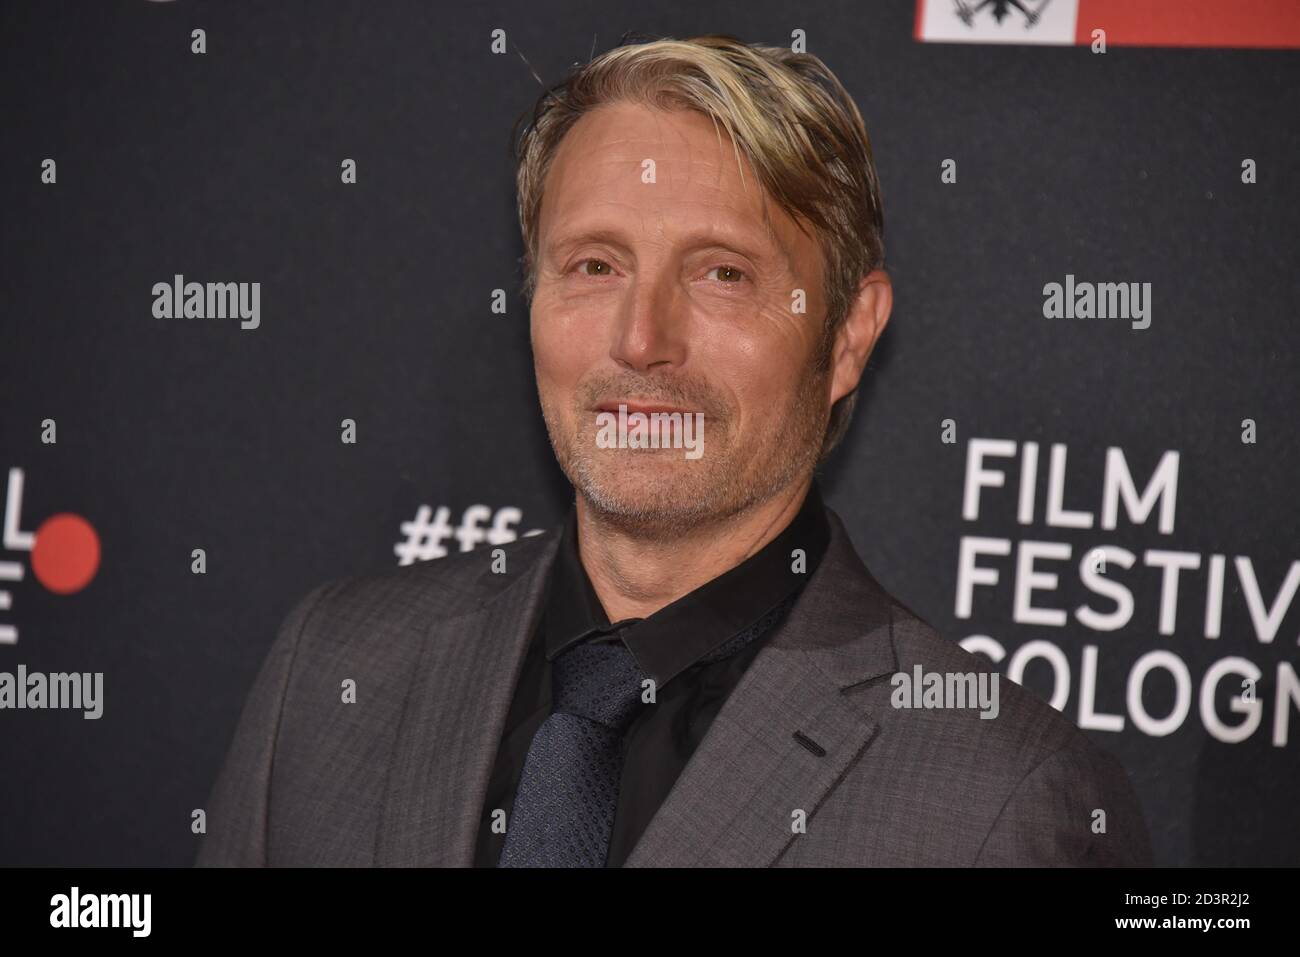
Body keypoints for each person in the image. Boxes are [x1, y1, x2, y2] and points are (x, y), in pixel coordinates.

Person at [196, 34, 1152, 867]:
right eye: (595, 266)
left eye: (723, 273)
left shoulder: (1002, 800)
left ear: (849, 335)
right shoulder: (331, 668)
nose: (642, 338)